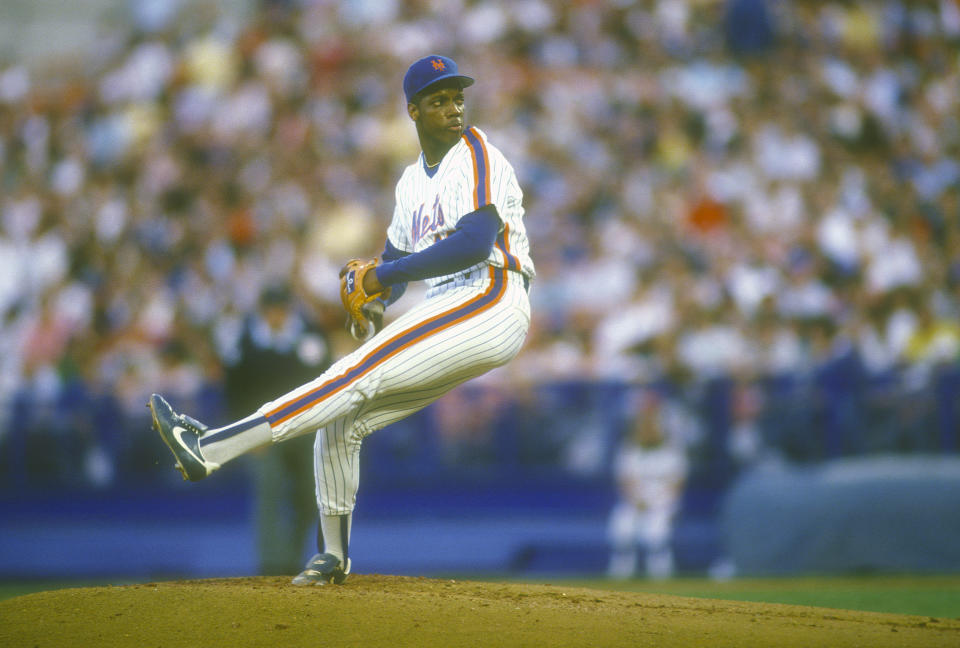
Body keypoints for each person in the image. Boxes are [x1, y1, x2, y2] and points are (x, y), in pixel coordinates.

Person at [148, 54, 535, 585]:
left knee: (349, 376)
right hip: (452, 305)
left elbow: (473, 245)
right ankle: (332, 555)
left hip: (492, 295)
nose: (454, 108)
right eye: (439, 100)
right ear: (413, 111)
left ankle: (209, 448)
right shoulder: (408, 184)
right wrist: (375, 299)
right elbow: (395, 266)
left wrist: (381, 276)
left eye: (458, 98)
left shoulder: (479, 154)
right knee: (342, 413)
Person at [221, 285, 332, 576]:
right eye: (271, 310)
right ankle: (271, 568)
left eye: (280, 310)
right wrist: (246, 434)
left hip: (305, 430)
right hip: (262, 432)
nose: (276, 316)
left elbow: (328, 383)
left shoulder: (309, 336)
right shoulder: (246, 342)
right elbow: (234, 391)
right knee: (268, 491)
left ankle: (291, 561)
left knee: (310, 497)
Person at [606, 389, 689, 580]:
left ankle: (660, 577)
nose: (648, 428)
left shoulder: (672, 450)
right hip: (636, 502)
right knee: (622, 527)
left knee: (655, 532)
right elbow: (626, 482)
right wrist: (639, 501)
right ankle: (621, 575)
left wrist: (655, 502)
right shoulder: (630, 450)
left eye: (652, 424)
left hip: (663, 503)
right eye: (644, 424)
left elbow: (676, 485)